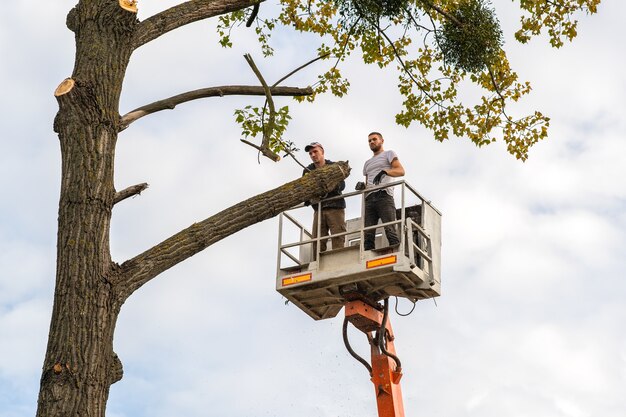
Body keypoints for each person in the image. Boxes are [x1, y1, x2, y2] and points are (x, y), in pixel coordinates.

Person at [360, 131, 405, 250]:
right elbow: (367, 182)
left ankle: (396, 252)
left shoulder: (389, 154)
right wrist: (362, 187)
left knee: (390, 229)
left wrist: (386, 171)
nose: (372, 142)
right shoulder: (367, 163)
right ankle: (368, 258)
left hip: (384, 195)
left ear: (382, 141)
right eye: (369, 141)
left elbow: (400, 170)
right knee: (368, 234)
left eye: (374, 139)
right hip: (369, 198)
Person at [303, 142, 347, 254]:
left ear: (322, 152)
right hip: (319, 209)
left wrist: (327, 186)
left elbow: (342, 186)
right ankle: (317, 265)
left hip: (335, 207)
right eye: (310, 153)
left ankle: (338, 260)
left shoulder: (334, 166)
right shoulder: (308, 171)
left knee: (338, 236)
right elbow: (304, 191)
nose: (313, 155)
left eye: (315, 151)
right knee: (317, 241)